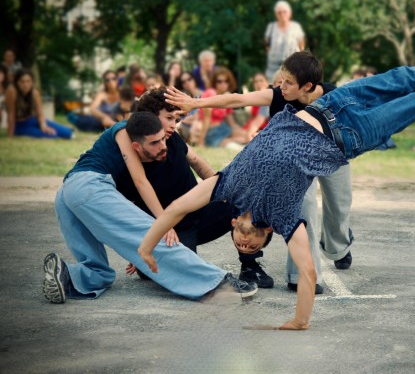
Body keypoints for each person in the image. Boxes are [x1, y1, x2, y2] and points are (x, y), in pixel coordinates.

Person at [140, 43, 415, 330]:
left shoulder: (226, 186)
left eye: (242, 242)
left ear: (234, 223)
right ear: (268, 234)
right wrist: (300, 321)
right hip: (349, 136)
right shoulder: (284, 217)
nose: (244, 244)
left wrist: (146, 247)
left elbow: (175, 210)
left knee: (402, 77)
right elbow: (308, 273)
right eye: (252, 246)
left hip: (333, 104)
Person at [162, 51, 357, 294]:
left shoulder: (333, 96)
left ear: (307, 86)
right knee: (303, 208)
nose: (281, 86)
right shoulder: (279, 96)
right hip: (294, 161)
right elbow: (237, 100)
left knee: (339, 206)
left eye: (288, 83)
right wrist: (197, 102)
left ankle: (338, 246)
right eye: (281, 80)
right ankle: (300, 276)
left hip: (332, 152)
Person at [42, 110, 257, 305]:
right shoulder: (124, 132)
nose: (163, 144)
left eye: (163, 138)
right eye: (155, 142)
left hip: (67, 191)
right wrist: (164, 223)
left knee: (96, 268)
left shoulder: (140, 137)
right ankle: (216, 283)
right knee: (153, 235)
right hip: (89, 185)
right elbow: (140, 182)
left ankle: (68, 276)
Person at [116, 89, 235, 279]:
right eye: (169, 118)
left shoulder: (173, 139)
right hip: (170, 229)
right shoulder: (131, 157)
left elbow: (197, 162)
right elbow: (133, 201)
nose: (174, 125)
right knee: (172, 273)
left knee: (243, 203)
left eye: (177, 120)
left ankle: (251, 264)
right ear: (152, 117)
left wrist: (223, 191)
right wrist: (149, 237)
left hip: (197, 214)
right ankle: (148, 260)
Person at [5, 68, 73, 139]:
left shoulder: (35, 92)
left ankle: (66, 128)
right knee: (53, 136)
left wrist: (43, 126)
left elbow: (40, 114)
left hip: (33, 120)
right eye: (22, 81)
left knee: (68, 134)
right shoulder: (12, 91)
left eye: (28, 81)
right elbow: (11, 115)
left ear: (32, 82)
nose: (25, 84)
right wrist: (10, 136)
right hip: (19, 125)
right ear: (17, 82)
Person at [197, 67, 247, 149]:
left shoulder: (226, 97)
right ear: (214, 82)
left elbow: (231, 123)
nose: (223, 84)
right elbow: (206, 118)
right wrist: (201, 141)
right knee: (234, 145)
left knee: (246, 137)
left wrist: (244, 132)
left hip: (224, 128)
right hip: (211, 131)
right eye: (219, 81)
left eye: (226, 81)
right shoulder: (211, 93)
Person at [265, 0, 305, 80]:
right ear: (276, 14)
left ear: (289, 13)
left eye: (284, 12)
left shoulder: (296, 27)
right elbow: (267, 45)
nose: (282, 14)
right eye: (279, 12)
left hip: (292, 66)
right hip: (273, 68)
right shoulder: (271, 27)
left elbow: (301, 47)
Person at [242, 72, 270, 142]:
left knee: (240, 136)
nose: (258, 84)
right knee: (235, 133)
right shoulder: (255, 98)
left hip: (261, 128)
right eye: (256, 82)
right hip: (251, 127)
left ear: (267, 82)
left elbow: (261, 119)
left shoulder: (269, 98)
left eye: (261, 81)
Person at [176, 71, 202, 143]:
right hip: (184, 126)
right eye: (183, 82)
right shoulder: (182, 97)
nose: (187, 82)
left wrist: (184, 120)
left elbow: (201, 116)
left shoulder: (204, 94)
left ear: (194, 80)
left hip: (199, 125)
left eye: (189, 79)